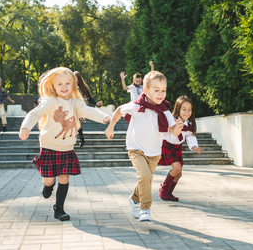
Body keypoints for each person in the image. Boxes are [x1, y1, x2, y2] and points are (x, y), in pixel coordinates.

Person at [19, 67, 111, 221]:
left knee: (64, 178)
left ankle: (59, 209)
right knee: (49, 179)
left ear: (73, 85)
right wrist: (25, 127)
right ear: (53, 85)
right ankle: (48, 186)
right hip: (49, 146)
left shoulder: (75, 103)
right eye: (60, 84)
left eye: (68, 83)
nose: (64, 87)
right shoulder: (50, 101)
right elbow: (34, 114)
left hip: (67, 148)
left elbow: (89, 111)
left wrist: (105, 117)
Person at [105, 70, 183, 222]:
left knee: (145, 179)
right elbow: (120, 110)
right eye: (156, 90)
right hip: (136, 148)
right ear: (146, 91)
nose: (161, 94)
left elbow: (173, 130)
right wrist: (110, 127)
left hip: (154, 152)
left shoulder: (165, 112)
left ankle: (134, 199)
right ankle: (145, 208)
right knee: (146, 176)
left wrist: (178, 128)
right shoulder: (136, 106)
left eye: (163, 90)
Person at [158, 95, 202, 201]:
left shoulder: (189, 124)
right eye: (184, 109)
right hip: (167, 145)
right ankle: (163, 191)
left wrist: (194, 147)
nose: (187, 112)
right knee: (176, 168)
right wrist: (177, 127)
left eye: (189, 110)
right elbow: (172, 134)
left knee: (179, 173)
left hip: (177, 147)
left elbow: (190, 137)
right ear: (178, 109)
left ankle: (168, 192)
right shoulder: (172, 120)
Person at [74, 71, 103, 147]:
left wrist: (96, 103)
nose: (75, 80)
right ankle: (75, 138)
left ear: (79, 79)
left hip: (80, 106)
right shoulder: (70, 87)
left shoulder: (83, 87)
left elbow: (89, 98)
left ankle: (81, 138)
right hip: (72, 106)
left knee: (78, 123)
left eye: (76, 78)